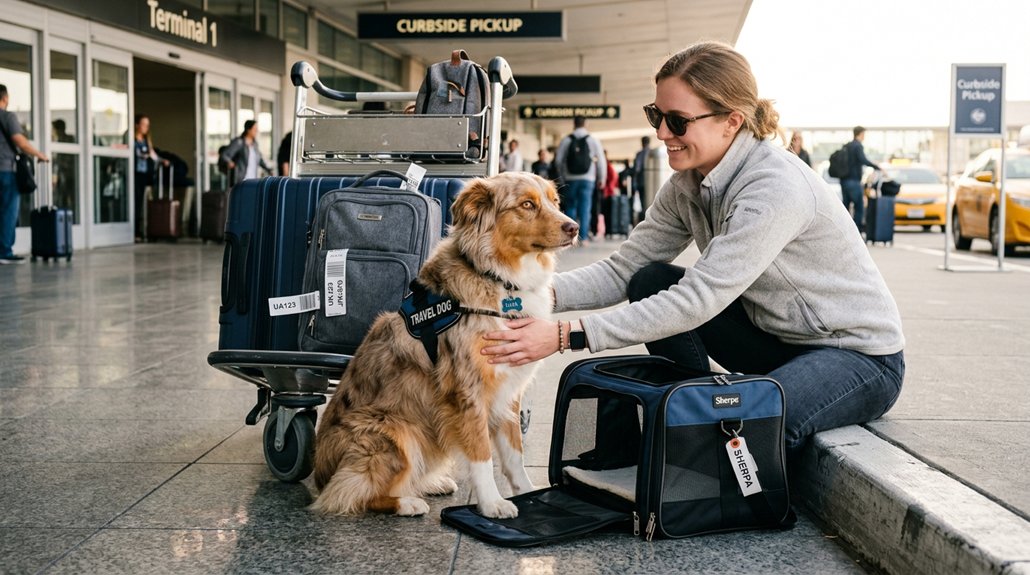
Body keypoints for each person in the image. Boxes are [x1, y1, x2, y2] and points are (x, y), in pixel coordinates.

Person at [481, 41, 905, 460]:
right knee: (649, 279)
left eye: (678, 121)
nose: (662, 133)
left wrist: (564, 335)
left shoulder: (774, 187)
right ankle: (696, 409)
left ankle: (706, 427)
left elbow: (699, 299)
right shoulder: (686, 183)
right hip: (776, 342)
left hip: (855, 356)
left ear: (731, 121)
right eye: (656, 116)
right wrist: (516, 295)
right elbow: (623, 270)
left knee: (755, 428)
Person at [0, 85, 48, 263]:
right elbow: (20, 141)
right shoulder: (7, 116)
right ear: (5, 98)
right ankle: (4, 252)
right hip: (6, 170)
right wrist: (39, 155)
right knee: (8, 212)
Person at [554, 116, 606, 246]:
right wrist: (601, 178)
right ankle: (584, 238)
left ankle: (568, 237)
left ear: (574, 124)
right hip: (588, 179)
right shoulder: (593, 140)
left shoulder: (567, 140)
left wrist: (562, 177)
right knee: (585, 207)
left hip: (570, 178)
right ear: (585, 124)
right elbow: (601, 161)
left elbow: (558, 160)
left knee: (570, 207)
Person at [134, 114, 169, 239]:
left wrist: (162, 161)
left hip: (143, 174)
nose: (146, 127)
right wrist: (143, 155)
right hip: (133, 173)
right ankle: (134, 230)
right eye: (143, 124)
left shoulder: (146, 141)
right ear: (136, 125)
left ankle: (139, 229)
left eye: (147, 125)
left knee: (140, 202)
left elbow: (153, 156)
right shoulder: (131, 139)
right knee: (134, 201)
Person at [840, 126, 882, 232]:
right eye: (864, 134)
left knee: (845, 208)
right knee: (859, 207)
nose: (864, 137)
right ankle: (856, 232)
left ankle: (844, 231)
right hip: (854, 181)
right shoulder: (858, 146)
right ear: (860, 134)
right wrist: (876, 166)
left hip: (844, 181)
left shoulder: (847, 146)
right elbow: (863, 160)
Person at [220, 120, 272, 184]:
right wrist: (229, 162)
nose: (257, 131)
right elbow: (224, 154)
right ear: (248, 130)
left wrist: (268, 169)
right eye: (254, 129)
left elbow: (260, 160)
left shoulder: (255, 144)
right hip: (241, 180)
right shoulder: (239, 142)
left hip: (253, 180)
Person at [632, 136, 652, 221]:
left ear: (642, 143)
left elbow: (637, 168)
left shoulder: (639, 154)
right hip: (651, 182)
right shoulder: (652, 153)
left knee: (643, 202)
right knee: (651, 201)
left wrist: (634, 182)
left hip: (641, 182)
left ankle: (645, 220)